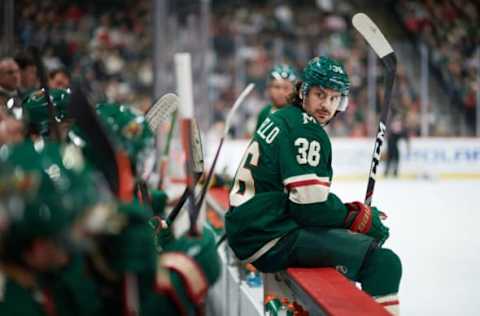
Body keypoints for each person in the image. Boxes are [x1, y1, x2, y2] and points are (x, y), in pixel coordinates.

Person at [225, 56, 401, 315]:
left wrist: (349, 213)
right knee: (384, 263)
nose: (326, 105)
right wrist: (355, 217)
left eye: (334, 98)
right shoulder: (306, 130)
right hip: (269, 237)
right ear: (303, 92)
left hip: (254, 228)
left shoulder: (285, 117)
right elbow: (309, 209)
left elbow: (304, 199)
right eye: (320, 94)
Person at [255, 64, 298, 131]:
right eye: (277, 87)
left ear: (294, 90)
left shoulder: (299, 115)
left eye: (286, 88)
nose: (281, 92)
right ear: (269, 88)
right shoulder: (264, 113)